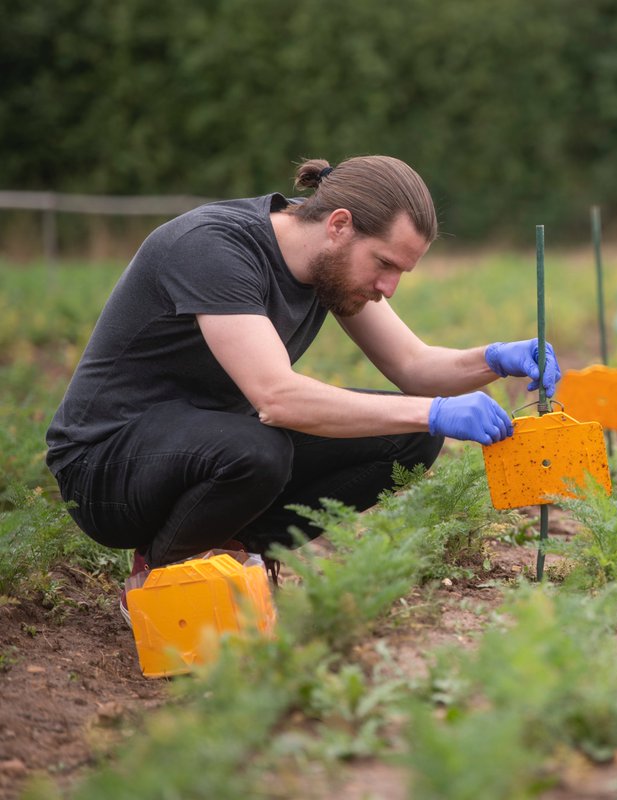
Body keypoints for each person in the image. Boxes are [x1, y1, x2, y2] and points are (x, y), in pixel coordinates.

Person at [44, 155, 560, 609]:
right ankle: (164, 576)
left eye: (401, 272)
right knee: (260, 447)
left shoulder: (327, 265)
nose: (389, 288)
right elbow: (277, 398)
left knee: (412, 437)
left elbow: (414, 366)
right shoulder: (214, 247)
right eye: (383, 264)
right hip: (104, 467)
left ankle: (236, 550)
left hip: (211, 446)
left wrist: (498, 358)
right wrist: (433, 408)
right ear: (339, 225)